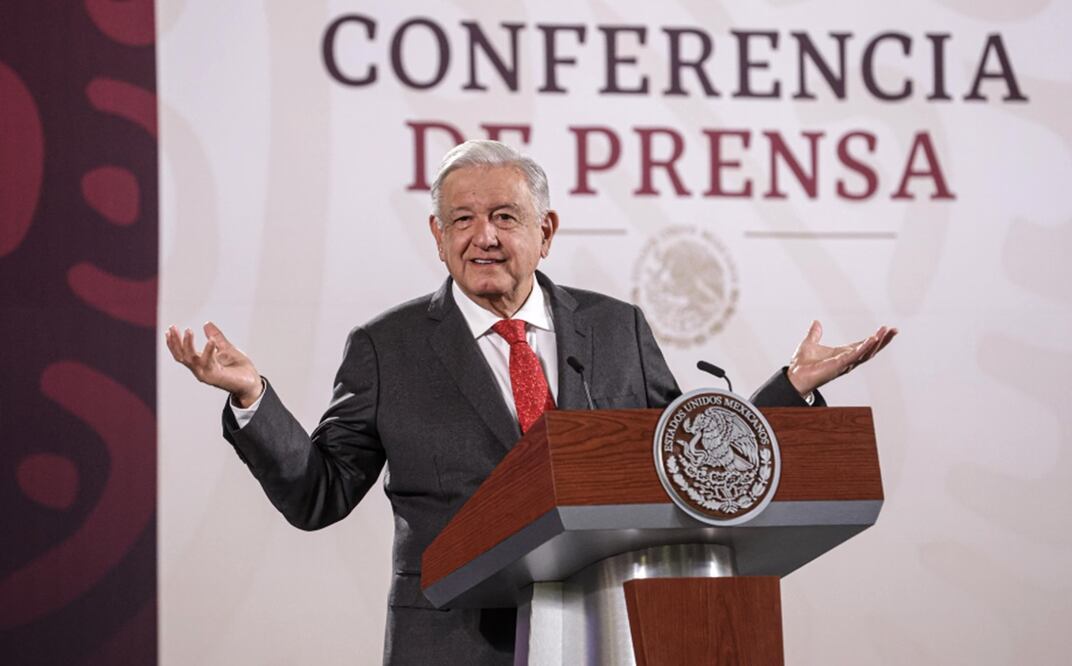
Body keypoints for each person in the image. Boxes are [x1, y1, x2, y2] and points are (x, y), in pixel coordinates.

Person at [165, 140, 896, 665]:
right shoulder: (387, 348)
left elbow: (680, 467)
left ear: (545, 232)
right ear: (438, 237)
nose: (483, 236)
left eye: (506, 217)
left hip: (611, 628)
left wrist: (785, 395)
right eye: (462, 219)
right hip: (453, 644)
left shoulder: (616, 328)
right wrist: (255, 400)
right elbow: (318, 494)